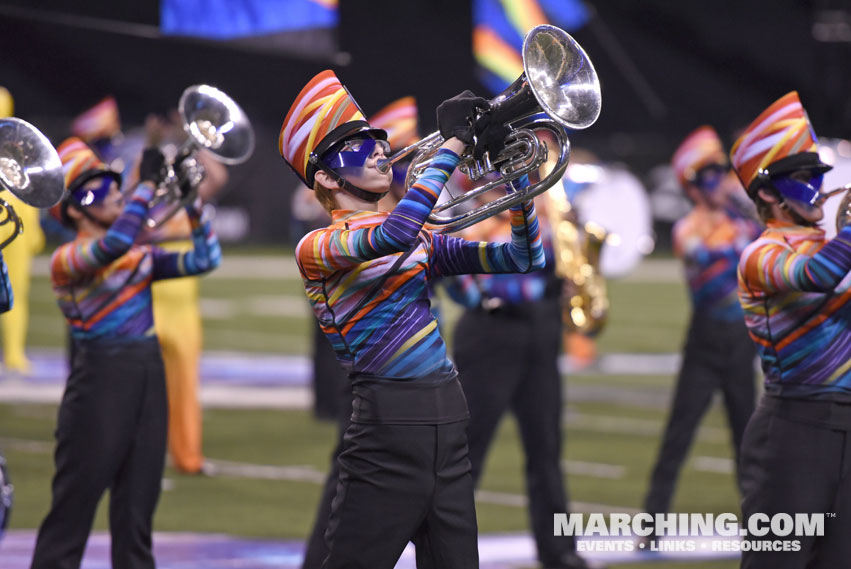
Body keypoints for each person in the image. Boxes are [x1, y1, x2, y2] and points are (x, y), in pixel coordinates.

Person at [280, 69, 544, 568]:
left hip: (449, 417)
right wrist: (453, 144)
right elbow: (395, 234)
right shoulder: (318, 246)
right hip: (386, 429)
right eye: (360, 146)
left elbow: (520, 258)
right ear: (325, 177)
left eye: (378, 141)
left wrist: (519, 180)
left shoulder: (418, 237)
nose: (381, 150)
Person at [30, 137, 221, 569]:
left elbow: (205, 259)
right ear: (75, 209)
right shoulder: (68, 259)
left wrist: (192, 204)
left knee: (137, 513)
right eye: (99, 188)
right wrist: (145, 187)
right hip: (99, 386)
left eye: (115, 185)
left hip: (148, 380)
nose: (114, 191)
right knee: (72, 512)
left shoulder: (138, 257)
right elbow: (112, 247)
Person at [446, 172, 591, 569]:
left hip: (540, 330)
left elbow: (561, 261)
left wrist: (568, 236)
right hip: (491, 331)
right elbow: (457, 274)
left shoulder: (545, 216)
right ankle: (443, 552)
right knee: (468, 450)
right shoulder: (475, 218)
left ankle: (559, 552)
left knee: (546, 450)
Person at [731, 91, 851, 569]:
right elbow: (815, 277)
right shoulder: (760, 254)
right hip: (794, 431)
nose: (820, 189)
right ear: (766, 192)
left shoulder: (831, 245)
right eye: (805, 179)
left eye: (818, 177)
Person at [641, 126, 760, 534]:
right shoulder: (688, 227)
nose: (719, 184)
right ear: (693, 186)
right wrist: (745, 229)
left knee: (747, 440)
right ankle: (653, 522)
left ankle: (758, 523)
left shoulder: (741, 221)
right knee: (679, 434)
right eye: (709, 178)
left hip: (741, 342)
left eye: (720, 175)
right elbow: (707, 255)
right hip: (704, 342)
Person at [0, 87, 45, 375]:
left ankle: (15, 352)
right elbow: (28, 188)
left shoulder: (17, 147)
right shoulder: (17, 147)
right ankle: (14, 353)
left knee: (16, 291)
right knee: (15, 292)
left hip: (15, 218)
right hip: (15, 219)